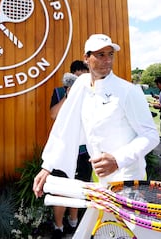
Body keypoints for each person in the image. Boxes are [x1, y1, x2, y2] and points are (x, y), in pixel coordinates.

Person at [33, 34, 160, 238]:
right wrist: (48, 165)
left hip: (129, 180)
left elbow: (151, 135)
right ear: (86, 58)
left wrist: (117, 160)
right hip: (99, 180)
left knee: (128, 234)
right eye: (100, 55)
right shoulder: (82, 85)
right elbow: (65, 125)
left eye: (110, 54)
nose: (107, 60)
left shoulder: (128, 91)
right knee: (104, 232)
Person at [48, 61, 91, 238]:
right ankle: (58, 226)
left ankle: (74, 221)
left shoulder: (91, 94)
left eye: (84, 76)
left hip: (84, 151)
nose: (81, 80)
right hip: (64, 149)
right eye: (77, 76)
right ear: (71, 76)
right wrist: (68, 95)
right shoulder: (59, 91)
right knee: (61, 189)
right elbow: (53, 114)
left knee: (79, 188)